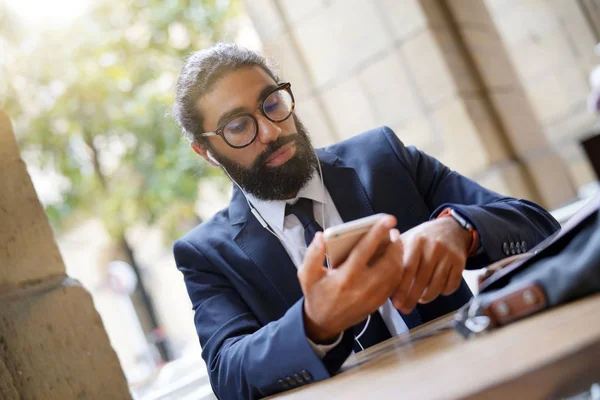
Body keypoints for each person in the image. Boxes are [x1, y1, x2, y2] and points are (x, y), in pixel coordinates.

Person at [172, 43, 560, 400]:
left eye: (272, 103)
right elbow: (228, 374)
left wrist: (461, 228)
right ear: (206, 152)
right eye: (239, 126)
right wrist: (314, 324)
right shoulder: (206, 254)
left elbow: (537, 226)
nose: (272, 130)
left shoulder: (384, 158)